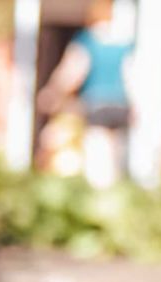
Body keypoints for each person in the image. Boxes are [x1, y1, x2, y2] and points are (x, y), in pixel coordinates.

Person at [37, 0, 135, 188]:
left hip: (97, 102)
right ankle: (115, 191)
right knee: (116, 153)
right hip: (120, 104)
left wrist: (53, 91)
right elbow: (130, 75)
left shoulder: (89, 41)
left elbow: (73, 70)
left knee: (98, 153)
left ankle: (100, 195)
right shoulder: (123, 44)